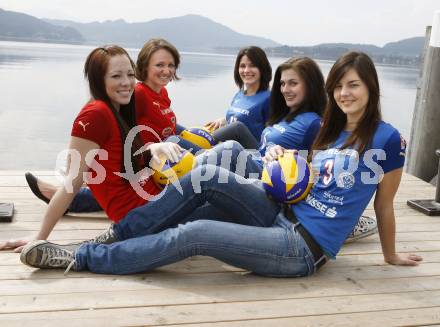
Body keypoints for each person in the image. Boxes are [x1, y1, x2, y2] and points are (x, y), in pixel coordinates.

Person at [19, 51, 421, 276]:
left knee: (194, 234)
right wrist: (285, 161)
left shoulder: (388, 139)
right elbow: (311, 181)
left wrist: (390, 256)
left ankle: (80, 257)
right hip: (281, 211)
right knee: (206, 175)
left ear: (371, 87)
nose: (345, 93)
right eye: (339, 85)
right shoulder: (328, 132)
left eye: (354, 85)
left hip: (301, 246)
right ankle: (116, 234)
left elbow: (383, 205)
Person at [205, 46, 272, 149]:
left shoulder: (269, 98)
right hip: (228, 150)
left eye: (252, 65)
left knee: (237, 127)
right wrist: (224, 120)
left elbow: (273, 134)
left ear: (262, 68)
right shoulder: (239, 95)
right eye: (242, 66)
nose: (246, 70)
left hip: (253, 154)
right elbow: (244, 118)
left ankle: (203, 141)